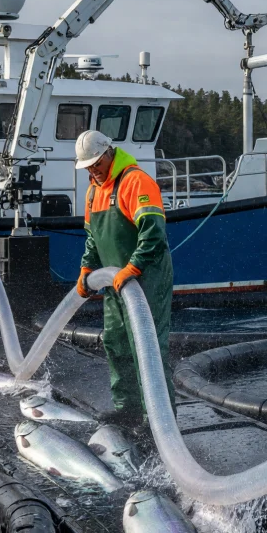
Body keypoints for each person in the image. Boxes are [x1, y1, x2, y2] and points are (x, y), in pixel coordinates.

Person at [74, 130, 174, 423]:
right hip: (113, 282)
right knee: (116, 344)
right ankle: (127, 410)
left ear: (108, 153)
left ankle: (159, 420)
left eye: (96, 163)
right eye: (88, 167)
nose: (93, 170)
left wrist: (134, 266)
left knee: (148, 349)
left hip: (147, 279)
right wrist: (87, 268)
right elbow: (93, 236)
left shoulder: (135, 181)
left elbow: (153, 232)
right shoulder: (94, 190)